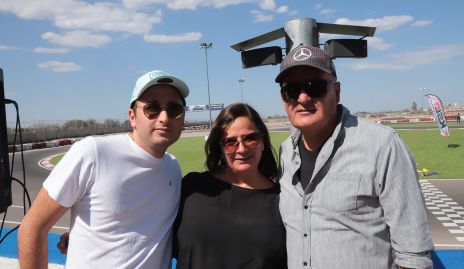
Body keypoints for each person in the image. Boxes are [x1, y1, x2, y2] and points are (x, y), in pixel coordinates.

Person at [275, 45, 433, 268]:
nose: (302, 97)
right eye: (291, 90)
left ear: (336, 92)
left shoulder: (382, 145)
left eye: (314, 87)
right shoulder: (285, 153)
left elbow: (413, 255)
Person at [18, 70, 189, 269]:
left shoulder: (173, 169)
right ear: (132, 117)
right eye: (152, 108)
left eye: (174, 109)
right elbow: (32, 228)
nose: (164, 117)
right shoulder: (93, 153)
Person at [173, 103, 287, 269]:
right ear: (220, 147)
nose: (241, 149)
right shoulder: (193, 187)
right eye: (230, 142)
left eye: (250, 138)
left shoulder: (283, 201)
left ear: (262, 142)